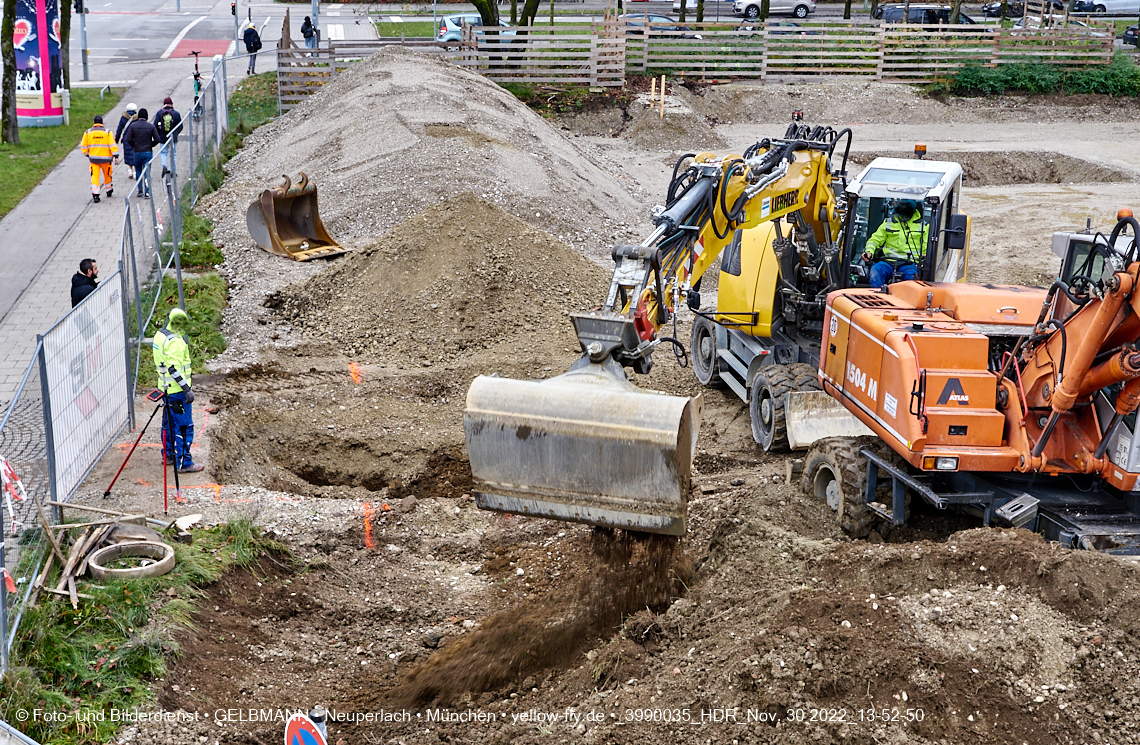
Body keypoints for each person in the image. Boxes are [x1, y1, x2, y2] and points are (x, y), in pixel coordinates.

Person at [153, 308, 205, 474]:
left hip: (165, 389)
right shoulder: (175, 341)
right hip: (177, 392)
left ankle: (168, 454)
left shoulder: (160, 335)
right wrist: (187, 389)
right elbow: (173, 368)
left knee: (168, 423)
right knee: (183, 426)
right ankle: (184, 462)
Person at [862, 200, 929, 289]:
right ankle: (878, 297)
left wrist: (924, 256)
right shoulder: (888, 222)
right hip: (888, 262)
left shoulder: (923, 226)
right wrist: (869, 252)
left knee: (912, 281)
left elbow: (926, 246)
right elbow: (875, 239)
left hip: (909, 264)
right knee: (875, 271)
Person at [79, 115, 118, 203]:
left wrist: (88, 155)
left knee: (95, 176)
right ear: (102, 123)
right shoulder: (107, 132)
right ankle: (108, 190)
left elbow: (84, 147)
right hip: (106, 160)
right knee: (107, 174)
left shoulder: (88, 133)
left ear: (94, 123)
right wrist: (116, 156)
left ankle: (95, 194)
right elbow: (112, 145)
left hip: (94, 160)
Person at [123, 108, 160, 198]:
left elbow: (128, 139)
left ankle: (140, 190)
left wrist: (134, 145)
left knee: (138, 170)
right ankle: (147, 192)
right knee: (147, 171)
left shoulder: (133, 126)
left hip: (137, 152)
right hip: (147, 152)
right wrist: (151, 145)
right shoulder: (150, 126)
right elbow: (157, 139)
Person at [154, 96, 182, 178]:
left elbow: (155, 125)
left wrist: (159, 135)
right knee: (173, 154)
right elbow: (180, 126)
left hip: (162, 138)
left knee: (163, 153)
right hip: (173, 138)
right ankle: (172, 171)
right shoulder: (176, 114)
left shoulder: (159, 113)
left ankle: (164, 166)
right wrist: (175, 134)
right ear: (171, 104)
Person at [115, 102, 138, 180]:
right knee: (134, 154)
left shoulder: (123, 117)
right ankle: (135, 172)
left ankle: (130, 170)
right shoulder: (136, 118)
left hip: (126, 139)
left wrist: (116, 139)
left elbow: (119, 129)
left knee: (128, 155)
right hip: (135, 139)